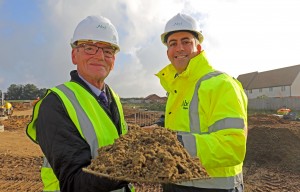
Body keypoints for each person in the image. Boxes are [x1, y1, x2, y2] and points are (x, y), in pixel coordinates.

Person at [26, 15, 134, 192]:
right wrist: (138, 166)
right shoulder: (55, 103)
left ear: (113, 60)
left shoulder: (113, 97)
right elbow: (73, 182)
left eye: (108, 51)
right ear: (74, 55)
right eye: (90, 48)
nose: (100, 56)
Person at [155, 13, 248, 191]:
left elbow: (232, 146)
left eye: (186, 41)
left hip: (213, 187)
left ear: (198, 47)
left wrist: (173, 145)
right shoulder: (178, 87)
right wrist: (158, 128)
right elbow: (184, 122)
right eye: (173, 43)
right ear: (168, 53)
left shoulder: (221, 84)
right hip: (175, 183)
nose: (179, 48)